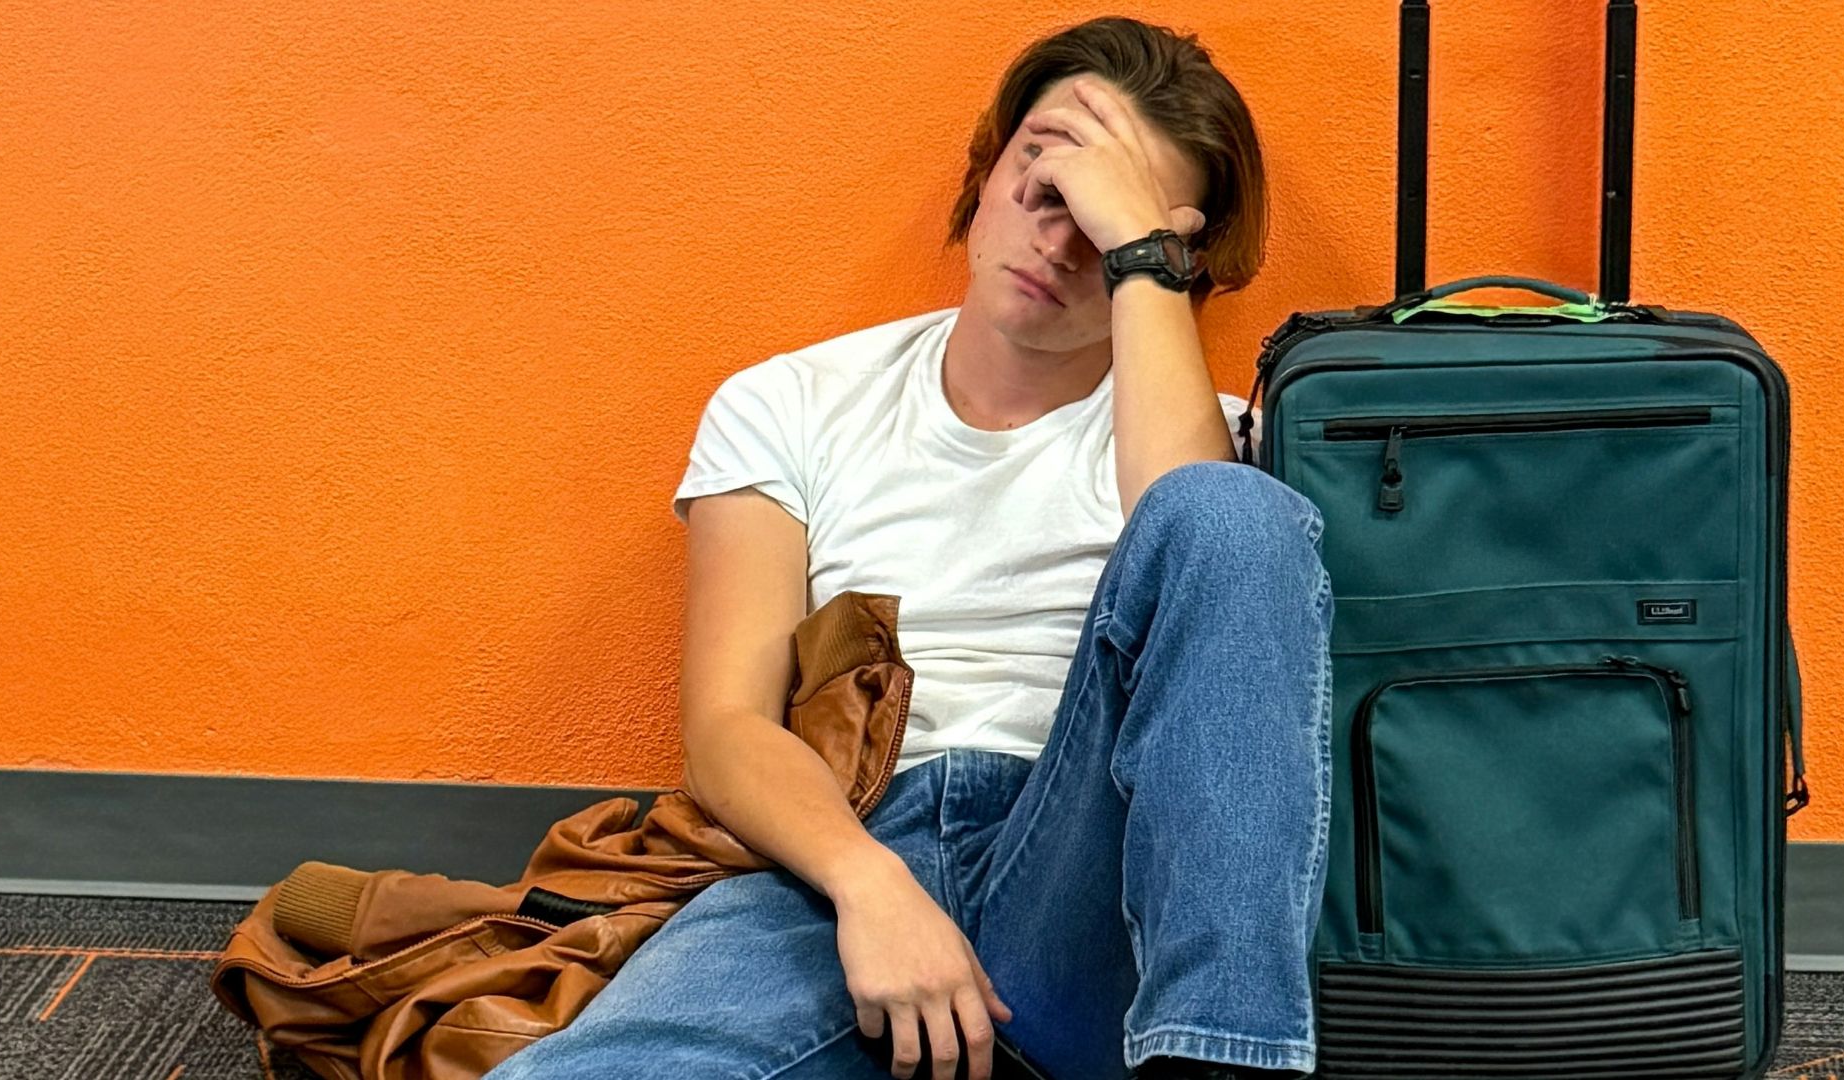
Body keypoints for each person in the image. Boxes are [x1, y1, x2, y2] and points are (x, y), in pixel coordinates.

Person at [484, 16, 1332, 1080]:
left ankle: (1220, 1062)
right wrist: (869, 888)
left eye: (1106, 220)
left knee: (1233, 517)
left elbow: (1191, 514)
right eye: (1046, 178)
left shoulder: (1215, 444)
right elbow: (727, 726)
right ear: (985, 172)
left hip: (1094, 875)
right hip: (843, 855)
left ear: (1178, 259)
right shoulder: (792, 402)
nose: (1060, 239)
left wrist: (1142, 266)